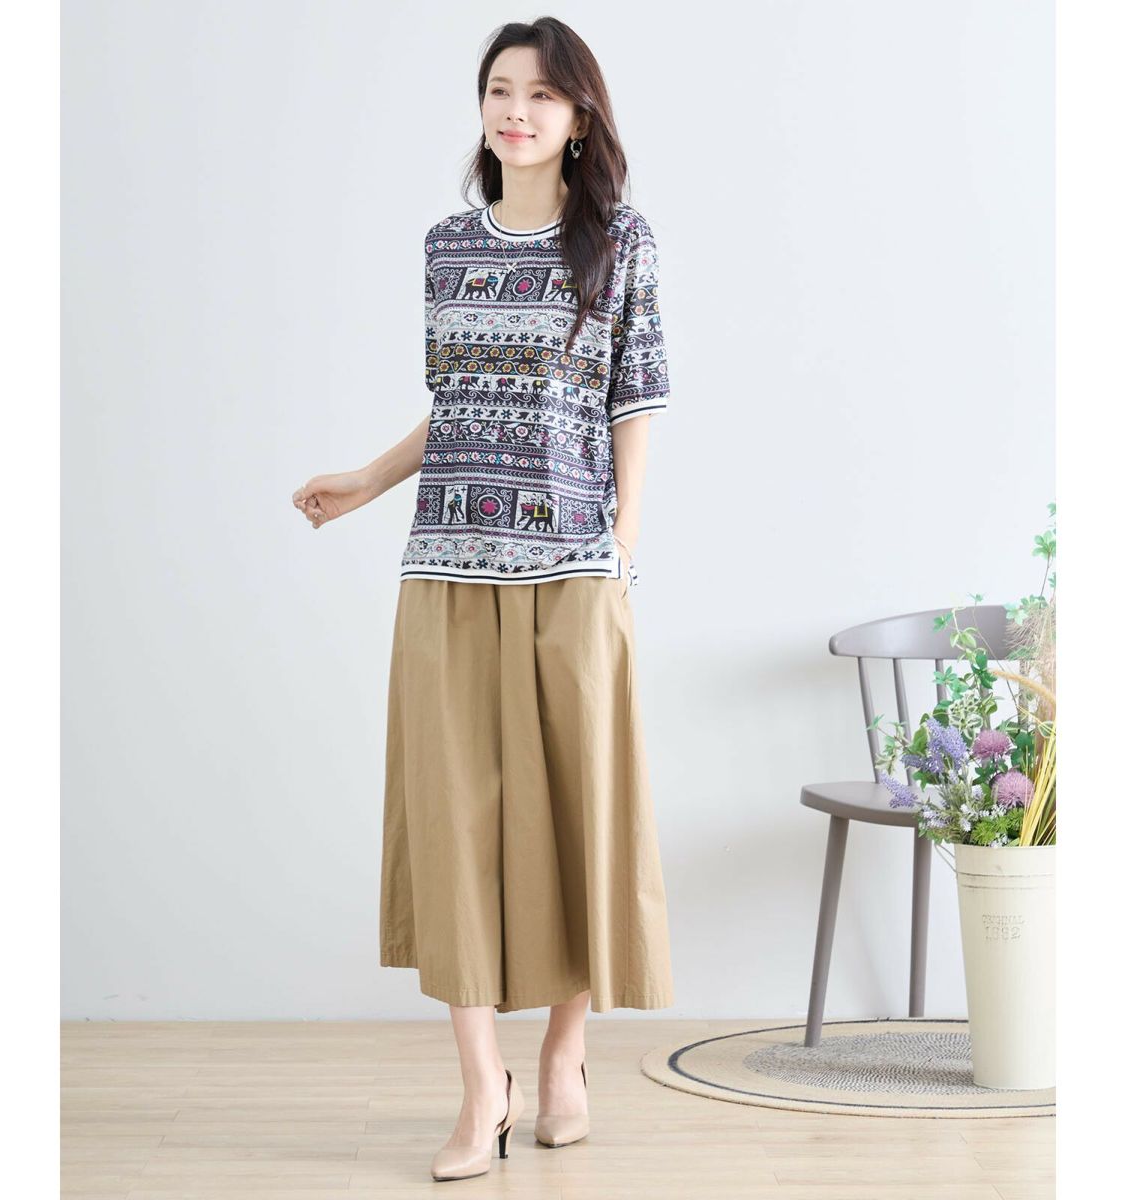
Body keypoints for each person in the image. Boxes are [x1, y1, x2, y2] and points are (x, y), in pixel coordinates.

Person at [292, 16, 674, 1183]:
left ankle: (561, 1060)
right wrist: (367, 479)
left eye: (541, 95)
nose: (516, 111)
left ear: (580, 116)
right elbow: (460, 401)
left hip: (571, 569)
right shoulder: (447, 247)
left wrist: (622, 547)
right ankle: (479, 1090)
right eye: (500, 90)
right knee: (451, 822)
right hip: (448, 567)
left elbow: (635, 400)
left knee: (575, 815)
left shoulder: (620, 242)